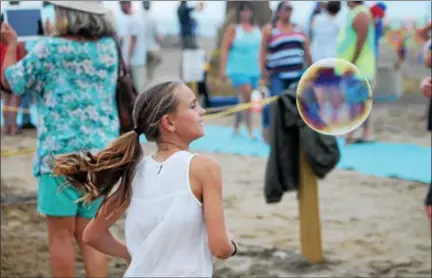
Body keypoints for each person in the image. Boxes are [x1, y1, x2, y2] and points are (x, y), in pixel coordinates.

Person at [52, 79, 238, 276]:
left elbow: (93, 235)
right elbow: (220, 248)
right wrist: (232, 243)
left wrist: (135, 255)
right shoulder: (205, 168)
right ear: (169, 122)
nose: (203, 111)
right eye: (193, 106)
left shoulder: (136, 171)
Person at [0, 1, 119, 276]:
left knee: (61, 236)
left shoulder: (50, 49)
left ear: (66, 14)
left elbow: (12, 81)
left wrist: (11, 42)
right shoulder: (108, 48)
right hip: (101, 154)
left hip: (60, 156)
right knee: (92, 236)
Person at [260, 0, 313, 143]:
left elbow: (306, 51)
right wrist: (263, 74)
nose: (289, 11)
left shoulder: (298, 29)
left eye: (291, 9)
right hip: (278, 74)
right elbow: (263, 52)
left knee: (297, 104)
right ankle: (268, 130)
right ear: (278, 11)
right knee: (275, 103)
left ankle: (293, 134)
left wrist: (312, 69)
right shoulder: (270, 30)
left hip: (296, 74)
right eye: (286, 8)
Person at [336, 1, 376, 144]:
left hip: (359, 67)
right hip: (355, 66)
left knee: (356, 100)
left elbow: (361, 39)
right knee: (357, 99)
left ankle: (354, 132)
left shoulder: (360, 14)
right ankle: (362, 132)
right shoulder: (355, 13)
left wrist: (351, 63)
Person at [220, 1, 261, 139]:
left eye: (248, 10)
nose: (245, 13)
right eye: (243, 11)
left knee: (244, 98)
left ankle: (236, 126)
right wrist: (222, 69)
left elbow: (261, 51)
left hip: (253, 69)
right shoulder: (234, 29)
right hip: (238, 68)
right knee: (247, 96)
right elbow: (225, 49)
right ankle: (250, 129)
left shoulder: (256, 30)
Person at [142, 1, 162, 83]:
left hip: (142, 50)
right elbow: (158, 36)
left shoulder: (139, 17)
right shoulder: (153, 18)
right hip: (152, 49)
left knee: (143, 72)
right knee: (151, 73)